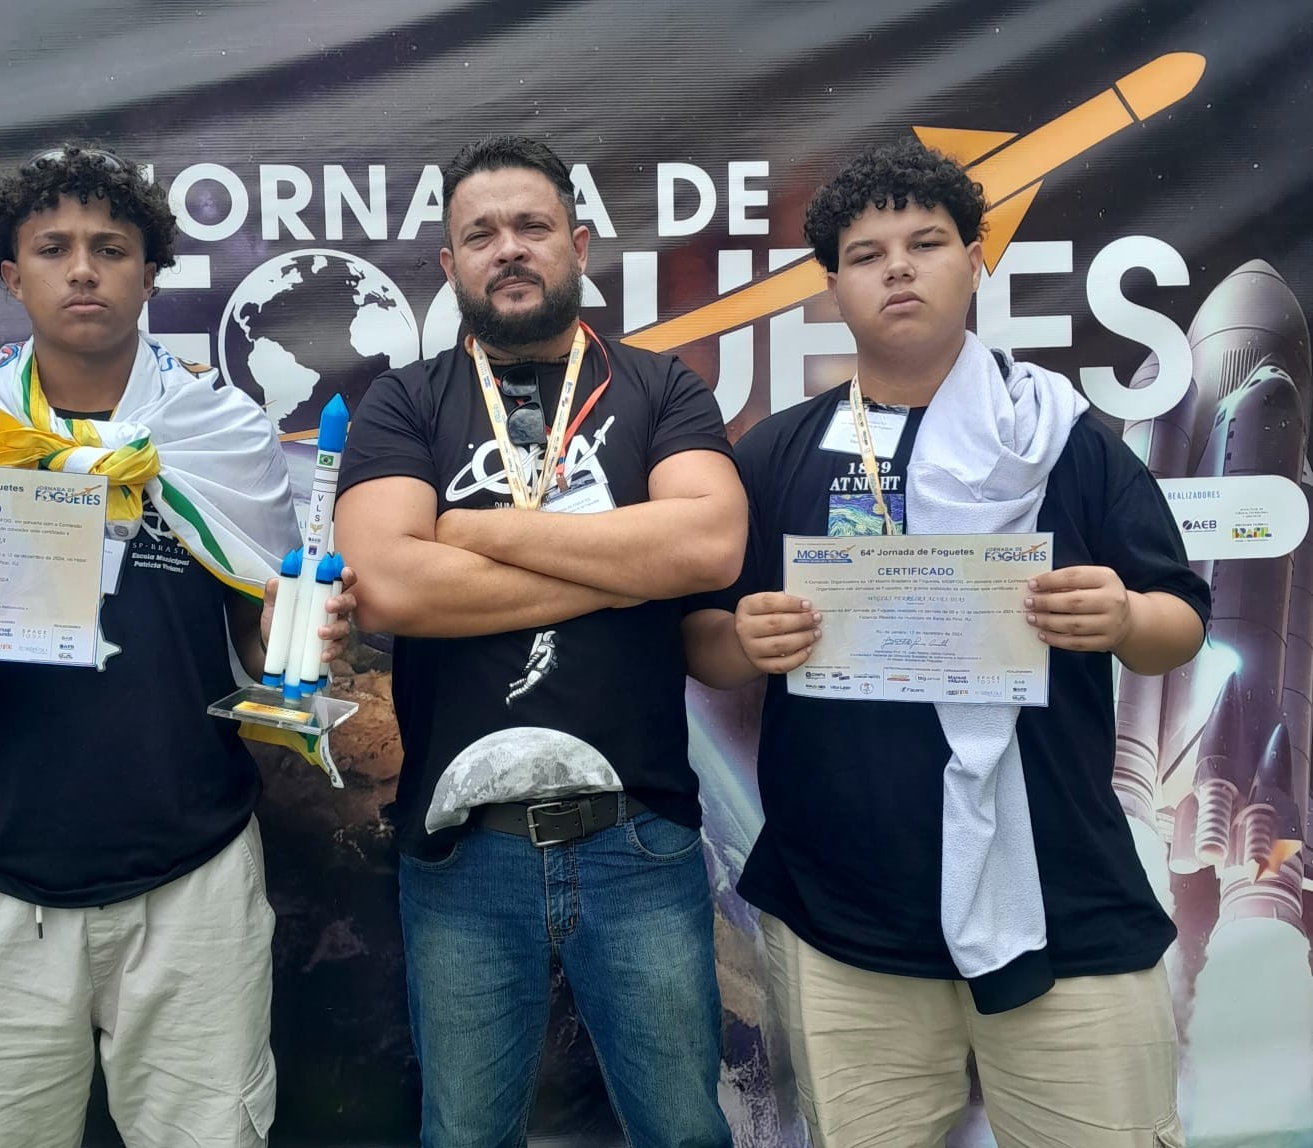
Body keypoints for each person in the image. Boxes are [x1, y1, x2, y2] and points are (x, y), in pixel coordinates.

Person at [683, 139, 1208, 1148]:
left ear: (974, 262)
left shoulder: (1060, 436)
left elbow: (1176, 623)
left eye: (925, 243)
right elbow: (702, 643)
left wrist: (1123, 619)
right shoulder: (779, 451)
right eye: (866, 253)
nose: (898, 269)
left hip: (1060, 899)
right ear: (832, 286)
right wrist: (743, 639)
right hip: (845, 916)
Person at [0, 143, 353, 1148]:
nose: (83, 269)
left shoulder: (222, 432)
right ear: (14, 276)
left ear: (150, 273)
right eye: (54, 248)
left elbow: (263, 640)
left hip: (194, 878)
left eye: (111, 248)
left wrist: (295, 635)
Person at [334, 135, 743, 1147]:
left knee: (684, 1132)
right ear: (450, 265)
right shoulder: (405, 401)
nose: (508, 248)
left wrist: (468, 531)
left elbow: (707, 543)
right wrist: (623, 561)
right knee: (467, 1135)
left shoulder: (661, 388)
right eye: (481, 234)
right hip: (461, 848)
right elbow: (386, 583)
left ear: (579, 245)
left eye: (531, 226)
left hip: (640, 834)